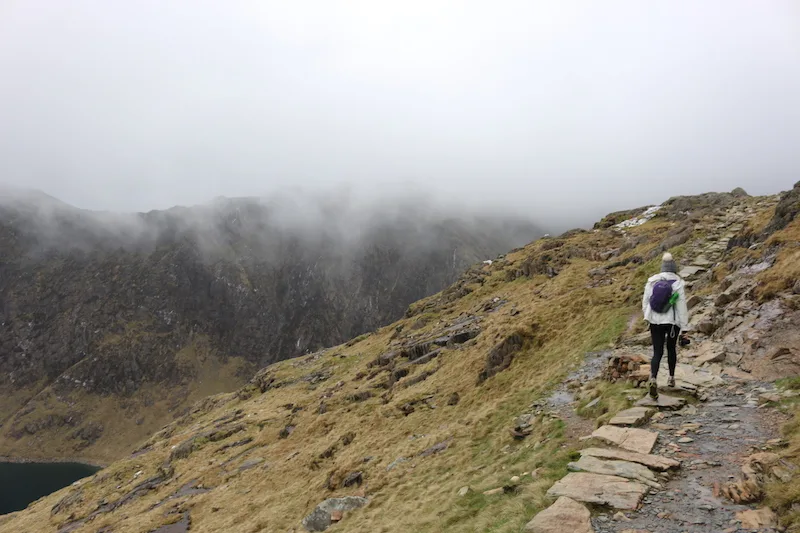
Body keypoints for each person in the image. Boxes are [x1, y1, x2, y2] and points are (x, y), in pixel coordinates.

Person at [642, 252, 689, 399]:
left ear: (662, 269)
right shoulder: (678, 283)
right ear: (674, 269)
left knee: (657, 352)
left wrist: (647, 317)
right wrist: (684, 326)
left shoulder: (651, 281)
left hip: (655, 321)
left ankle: (654, 378)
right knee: (671, 349)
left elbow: (645, 302)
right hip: (672, 322)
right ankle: (671, 378)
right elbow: (681, 306)